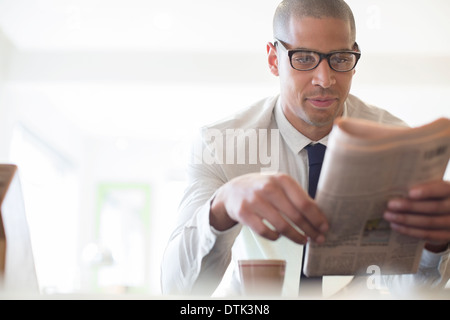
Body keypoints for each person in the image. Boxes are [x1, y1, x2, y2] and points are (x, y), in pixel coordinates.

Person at [161, 0, 450, 298]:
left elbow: (410, 290)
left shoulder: (396, 143)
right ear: (274, 60)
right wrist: (221, 207)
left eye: (339, 58)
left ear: (355, 57)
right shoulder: (220, 145)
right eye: (303, 58)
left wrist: (435, 246)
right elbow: (177, 290)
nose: (324, 80)